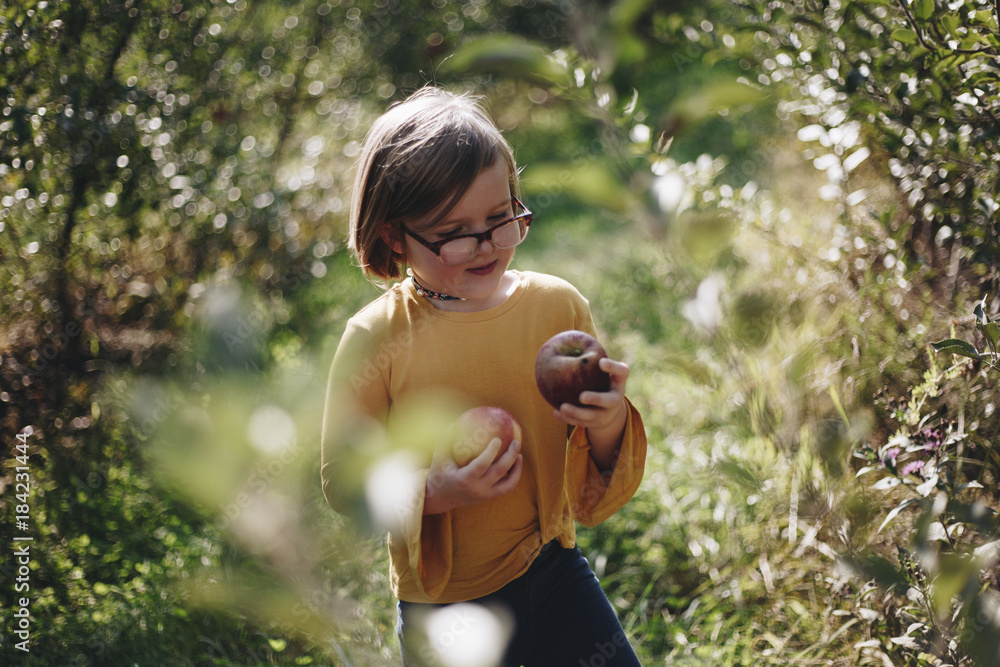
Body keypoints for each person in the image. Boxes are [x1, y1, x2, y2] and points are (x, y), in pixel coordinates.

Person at [321, 86, 647, 666]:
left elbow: (595, 460)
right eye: (453, 232)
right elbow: (344, 479)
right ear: (396, 236)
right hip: (445, 601)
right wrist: (436, 490)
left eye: (501, 218)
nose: (486, 245)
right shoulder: (376, 340)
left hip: (552, 568)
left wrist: (608, 419)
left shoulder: (557, 308)